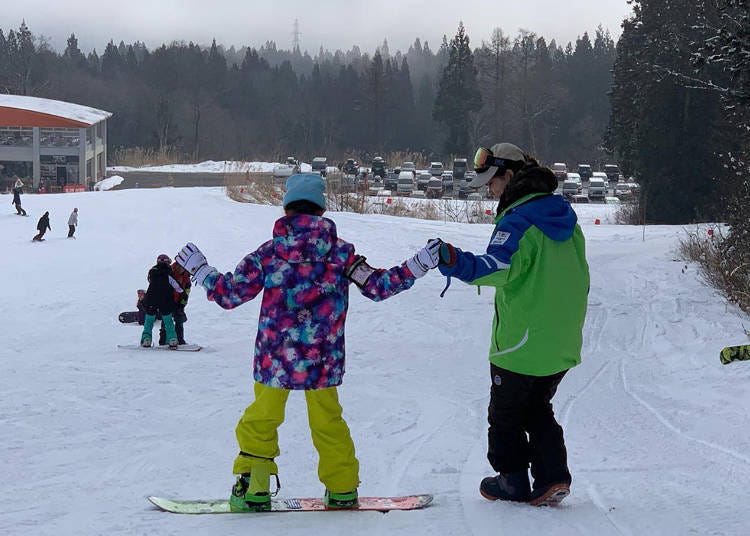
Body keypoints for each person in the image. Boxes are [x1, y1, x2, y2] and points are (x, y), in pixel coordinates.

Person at [175, 173, 439, 512]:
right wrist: (417, 265)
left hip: (274, 360)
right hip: (322, 360)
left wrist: (201, 270)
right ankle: (342, 489)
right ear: (321, 209)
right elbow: (377, 285)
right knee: (328, 421)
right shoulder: (341, 255)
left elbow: (230, 294)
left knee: (261, 420)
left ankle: (254, 489)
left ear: (287, 209)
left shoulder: (269, 254)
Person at [429, 143, 589, 507]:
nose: (489, 190)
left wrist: (452, 260)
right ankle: (553, 479)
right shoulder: (563, 214)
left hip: (521, 342)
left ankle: (512, 481)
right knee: (536, 408)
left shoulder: (519, 220)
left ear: (511, 176)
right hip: (562, 340)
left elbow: (497, 267)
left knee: (504, 415)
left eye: (492, 181)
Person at [140, 254, 183, 349]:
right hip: (165, 299)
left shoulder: (152, 272)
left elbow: (150, 281)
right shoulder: (168, 274)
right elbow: (178, 288)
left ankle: (146, 339)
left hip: (151, 299)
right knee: (168, 321)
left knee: (149, 320)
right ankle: (172, 339)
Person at [159, 261, 191, 346]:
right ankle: (163, 340)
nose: (182, 269)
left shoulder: (186, 277)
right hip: (168, 301)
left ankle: (180, 340)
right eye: (180, 267)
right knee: (165, 321)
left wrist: (183, 303)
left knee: (179, 321)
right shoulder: (170, 272)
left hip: (178, 302)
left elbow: (187, 292)